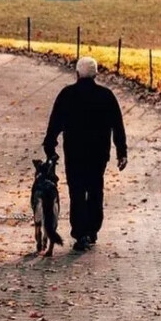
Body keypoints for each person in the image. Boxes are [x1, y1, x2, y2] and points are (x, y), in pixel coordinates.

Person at [43, 56, 127, 251]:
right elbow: (118, 126)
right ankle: (92, 230)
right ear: (96, 74)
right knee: (96, 190)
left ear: (77, 73)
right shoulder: (106, 96)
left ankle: (80, 233)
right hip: (98, 154)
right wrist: (121, 152)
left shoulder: (67, 95)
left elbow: (55, 122)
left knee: (77, 192)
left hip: (74, 153)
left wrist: (50, 145)